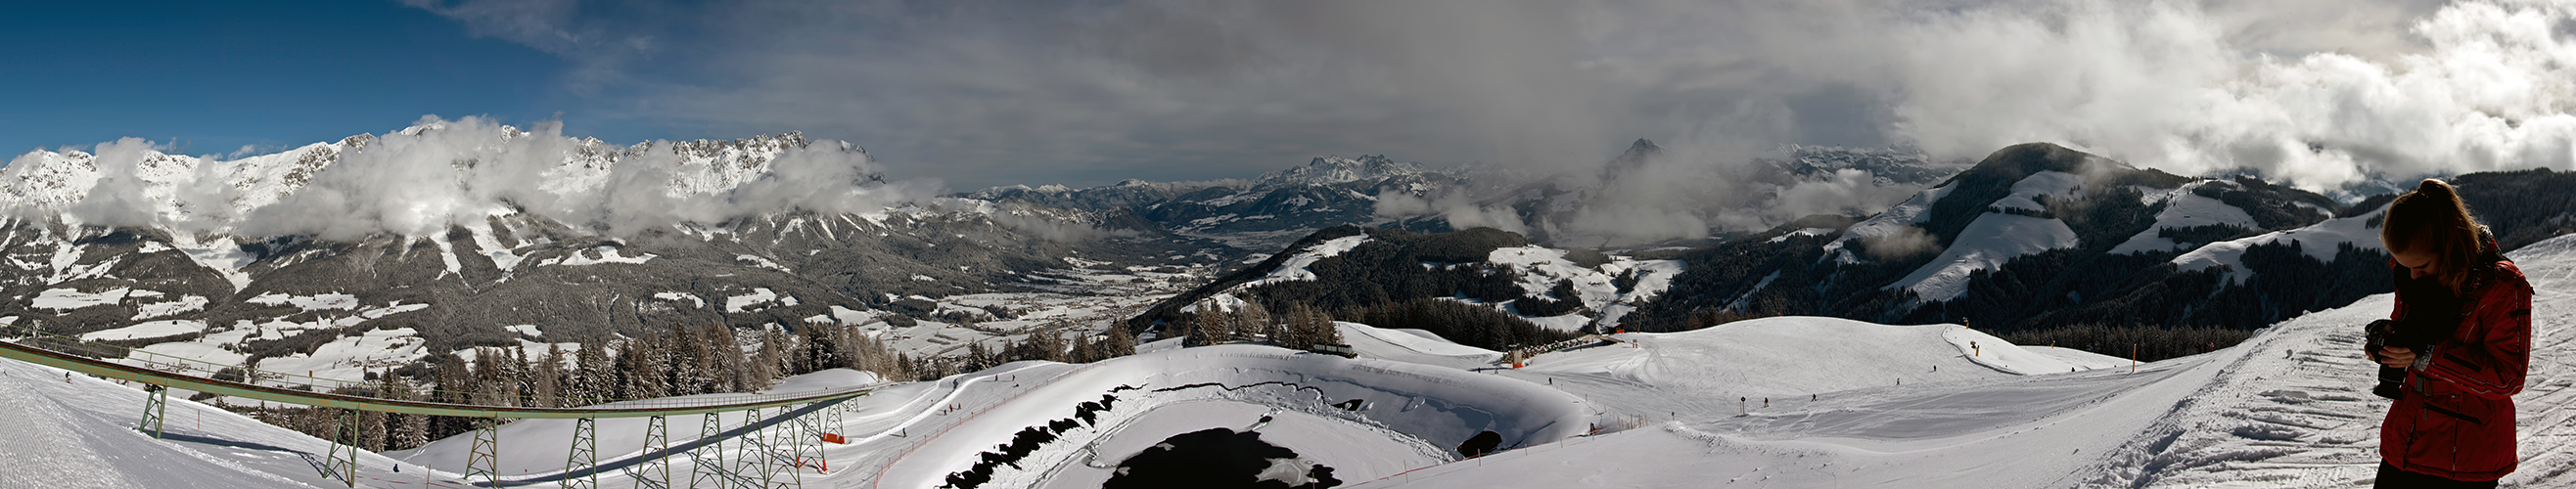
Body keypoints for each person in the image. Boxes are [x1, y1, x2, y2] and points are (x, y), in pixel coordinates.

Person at [2368, 179, 2532, 488]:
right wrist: (2391, 342)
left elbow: (2508, 376)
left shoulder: (2502, 287)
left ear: (2450, 247)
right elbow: (2410, 332)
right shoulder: (2414, 273)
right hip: (2407, 442)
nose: (2413, 275)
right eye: (2406, 268)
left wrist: (2425, 354)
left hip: (2465, 457)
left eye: (2421, 267)